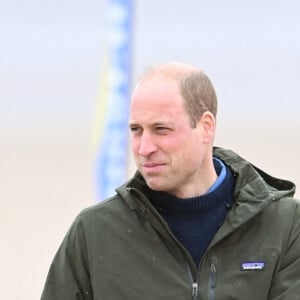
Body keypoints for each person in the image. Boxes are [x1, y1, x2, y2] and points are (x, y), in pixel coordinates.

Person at [41, 62, 300, 300]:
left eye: (161, 130)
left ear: (206, 127)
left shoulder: (284, 226)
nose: (144, 148)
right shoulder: (94, 232)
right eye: (136, 130)